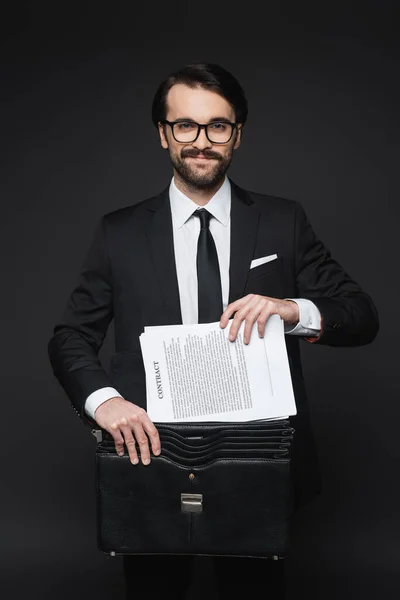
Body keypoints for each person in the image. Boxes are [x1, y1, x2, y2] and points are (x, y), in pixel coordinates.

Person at [48, 62, 379, 599]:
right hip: (150, 454)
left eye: (217, 126)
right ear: (163, 133)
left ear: (237, 135)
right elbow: (70, 337)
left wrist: (293, 310)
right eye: (185, 126)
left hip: (258, 457)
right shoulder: (120, 232)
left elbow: (361, 315)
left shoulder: (281, 222)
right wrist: (103, 401)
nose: (201, 142)